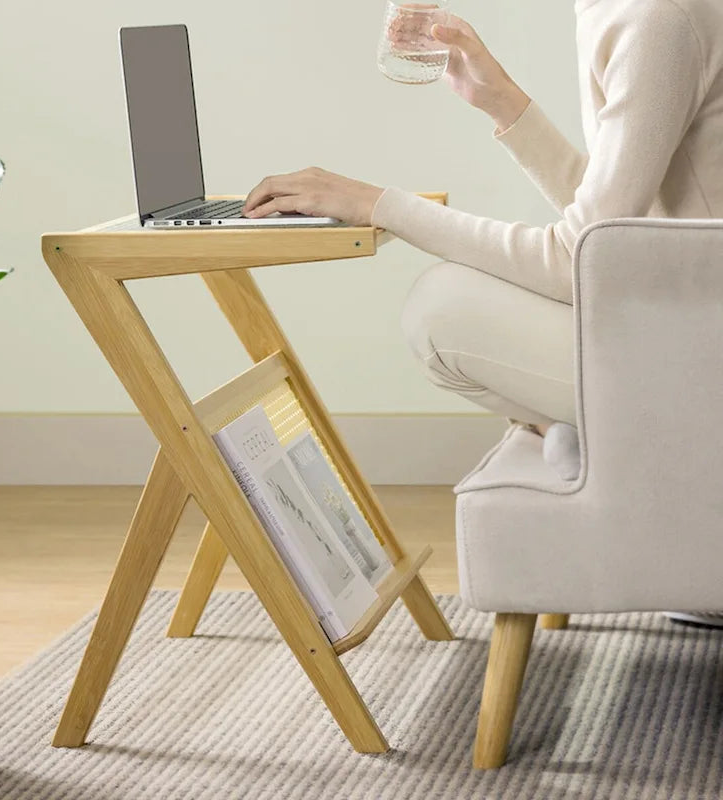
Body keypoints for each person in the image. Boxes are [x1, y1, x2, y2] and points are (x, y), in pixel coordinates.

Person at [242, 1, 723, 624]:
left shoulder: (657, 16)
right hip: (688, 320)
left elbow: (581, 255)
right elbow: (620, 227)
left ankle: (638, 468)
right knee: (460, 294)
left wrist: (377, 203)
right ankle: (604, 447)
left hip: (700, 354)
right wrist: (503, 104)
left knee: (440, 310)